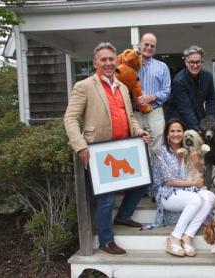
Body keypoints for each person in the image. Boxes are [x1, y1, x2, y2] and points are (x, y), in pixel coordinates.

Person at [64, 42, 150, 256]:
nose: (108, 63)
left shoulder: (122, 86)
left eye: (111, 59)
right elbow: (70, 118)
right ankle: (105, 240)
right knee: (106, 198)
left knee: (142, 184)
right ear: (95, 63)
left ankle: (123, 216)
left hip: (126, 147)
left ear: (117, 61)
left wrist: (138, 130)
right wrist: (80, 146)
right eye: (103, 59)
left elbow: (130, 116)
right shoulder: (84, 86)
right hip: (100, 151)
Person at [151, 118, 215, 257]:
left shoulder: (188, 150)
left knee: (210, 196)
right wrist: (194, 184)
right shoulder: (160, 152)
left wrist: (196, 159)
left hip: (186, 191)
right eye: (172, 131)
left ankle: (188, 236)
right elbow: (168, 181)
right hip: (166, 194)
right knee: (196, 199)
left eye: (179, 131)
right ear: (167, 134)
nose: (176, 134)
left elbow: (200, 172)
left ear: (183, 132)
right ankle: (174, 237)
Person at [166, 45, 215, 131]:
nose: (195, 65)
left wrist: (210, 122)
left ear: (202, 62)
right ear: (186, 62)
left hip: (199, 114)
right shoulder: (179, 80)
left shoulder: (208, 76)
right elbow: (186, 110)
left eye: (198, 62)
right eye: (192, 62)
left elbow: (211, 100)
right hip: (179, 120)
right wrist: (198, 130)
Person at [136, 32, 171, 153]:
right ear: (139, 45)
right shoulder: (129, 64)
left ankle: (155, 172)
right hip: (135, 114)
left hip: (155, 112)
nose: (149, 48)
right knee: (136, 147)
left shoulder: (162, 67)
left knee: (157, 148)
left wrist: (151, 97)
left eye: (152, 46)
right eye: (146, 44)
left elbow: (167, 91)